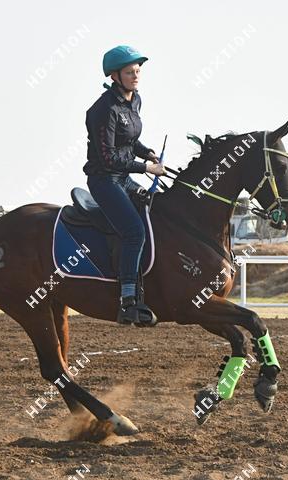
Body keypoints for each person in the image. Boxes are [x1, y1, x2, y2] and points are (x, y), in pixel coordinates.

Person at [83, 45, 166, 326]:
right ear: (115, 76)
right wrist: (145, 167)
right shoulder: (102, 109)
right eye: (130, 72)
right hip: (104, 181)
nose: (136, 76)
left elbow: (129, 140)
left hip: (124, 178)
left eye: (138, 71)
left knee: (157, 210)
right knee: (134, 232)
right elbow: (108, 157)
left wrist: (147, 152)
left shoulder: (135, 100)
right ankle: (128, 300)